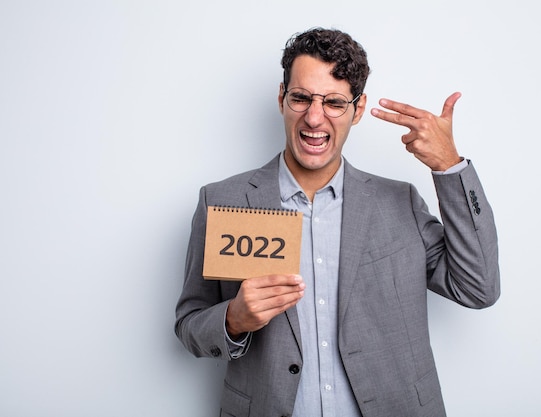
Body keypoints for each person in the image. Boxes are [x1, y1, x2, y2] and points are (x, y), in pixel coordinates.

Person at [175, 27, 500, 417]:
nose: (314, 117)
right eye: (300, 98)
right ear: (282, 99)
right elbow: (190, 324)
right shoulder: (222, 202)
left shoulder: (400, 203)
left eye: (333, 102)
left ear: (356, 110)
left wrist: (449, 167)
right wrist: (233, 319)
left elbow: (478, 288)